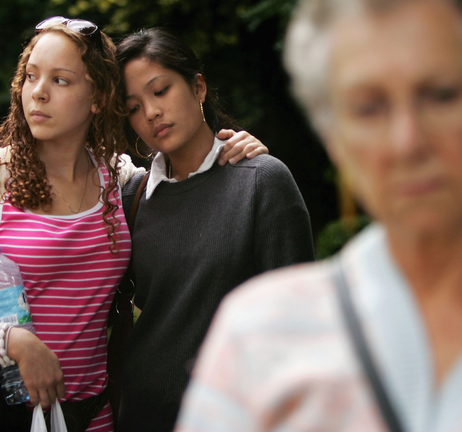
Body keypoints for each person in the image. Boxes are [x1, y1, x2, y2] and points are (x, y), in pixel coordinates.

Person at [175, 0, 462, 431]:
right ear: (332, 135)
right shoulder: (257, 337)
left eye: (441, 95)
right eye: (368, 107)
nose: (408, 141)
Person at [0, 17, 267, 432]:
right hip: (7, 413)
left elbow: (189, 199)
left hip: (97, 417)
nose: (38, 92)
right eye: (31, 76)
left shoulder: (119, 181)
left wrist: (233, 153)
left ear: (98, 98)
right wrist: (14, 343)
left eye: (61, 80)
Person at [113, 28, 316, 432]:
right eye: (134, 107)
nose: (151, 112)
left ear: (198, 87)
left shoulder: (262, 181)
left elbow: (298, 330)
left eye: (161, 91)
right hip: (142, 415)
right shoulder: (133, 196)